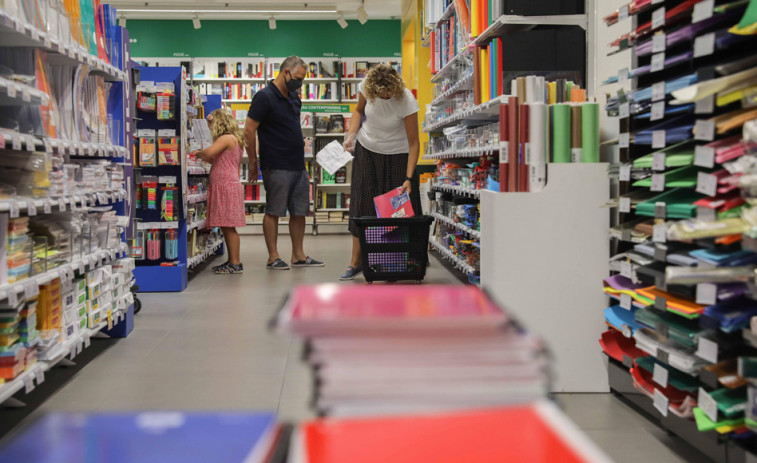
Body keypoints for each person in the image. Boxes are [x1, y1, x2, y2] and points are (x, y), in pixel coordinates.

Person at [340, 64, 422, 281]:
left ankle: (395, 260)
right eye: (379, 92)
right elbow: (358, 111)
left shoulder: (406, 100)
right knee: (361, 203)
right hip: (367, 149)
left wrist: (408, 178)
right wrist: (351, 134)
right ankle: (356, 262)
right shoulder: (366, 88)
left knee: (396, 208)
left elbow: (414, 143)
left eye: (387, 92)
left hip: (398, 154)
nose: (384, 95)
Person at [244, 56, 324, 270]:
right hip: (276, 163)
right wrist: (253, 162)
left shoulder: (294, 96)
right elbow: (248, 130)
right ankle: (273, 257)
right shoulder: (264, 97)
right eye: (298, 78)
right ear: (286, 72)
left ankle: (298, 255)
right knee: (274, 210)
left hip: (298, 164)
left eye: (303, 80)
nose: (300, 83)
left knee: (300, 211)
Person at [193, 109, 246, 274]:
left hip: (225, 186)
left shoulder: (226, 138)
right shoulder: (233, 139)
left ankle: (235, 263)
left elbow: (208, 153)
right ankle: (232, 261)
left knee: (228, 227)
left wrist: (197, 153)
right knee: (226, 226)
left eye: (210, 125)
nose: (210, 129)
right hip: (226, 185)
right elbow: (216, 159)